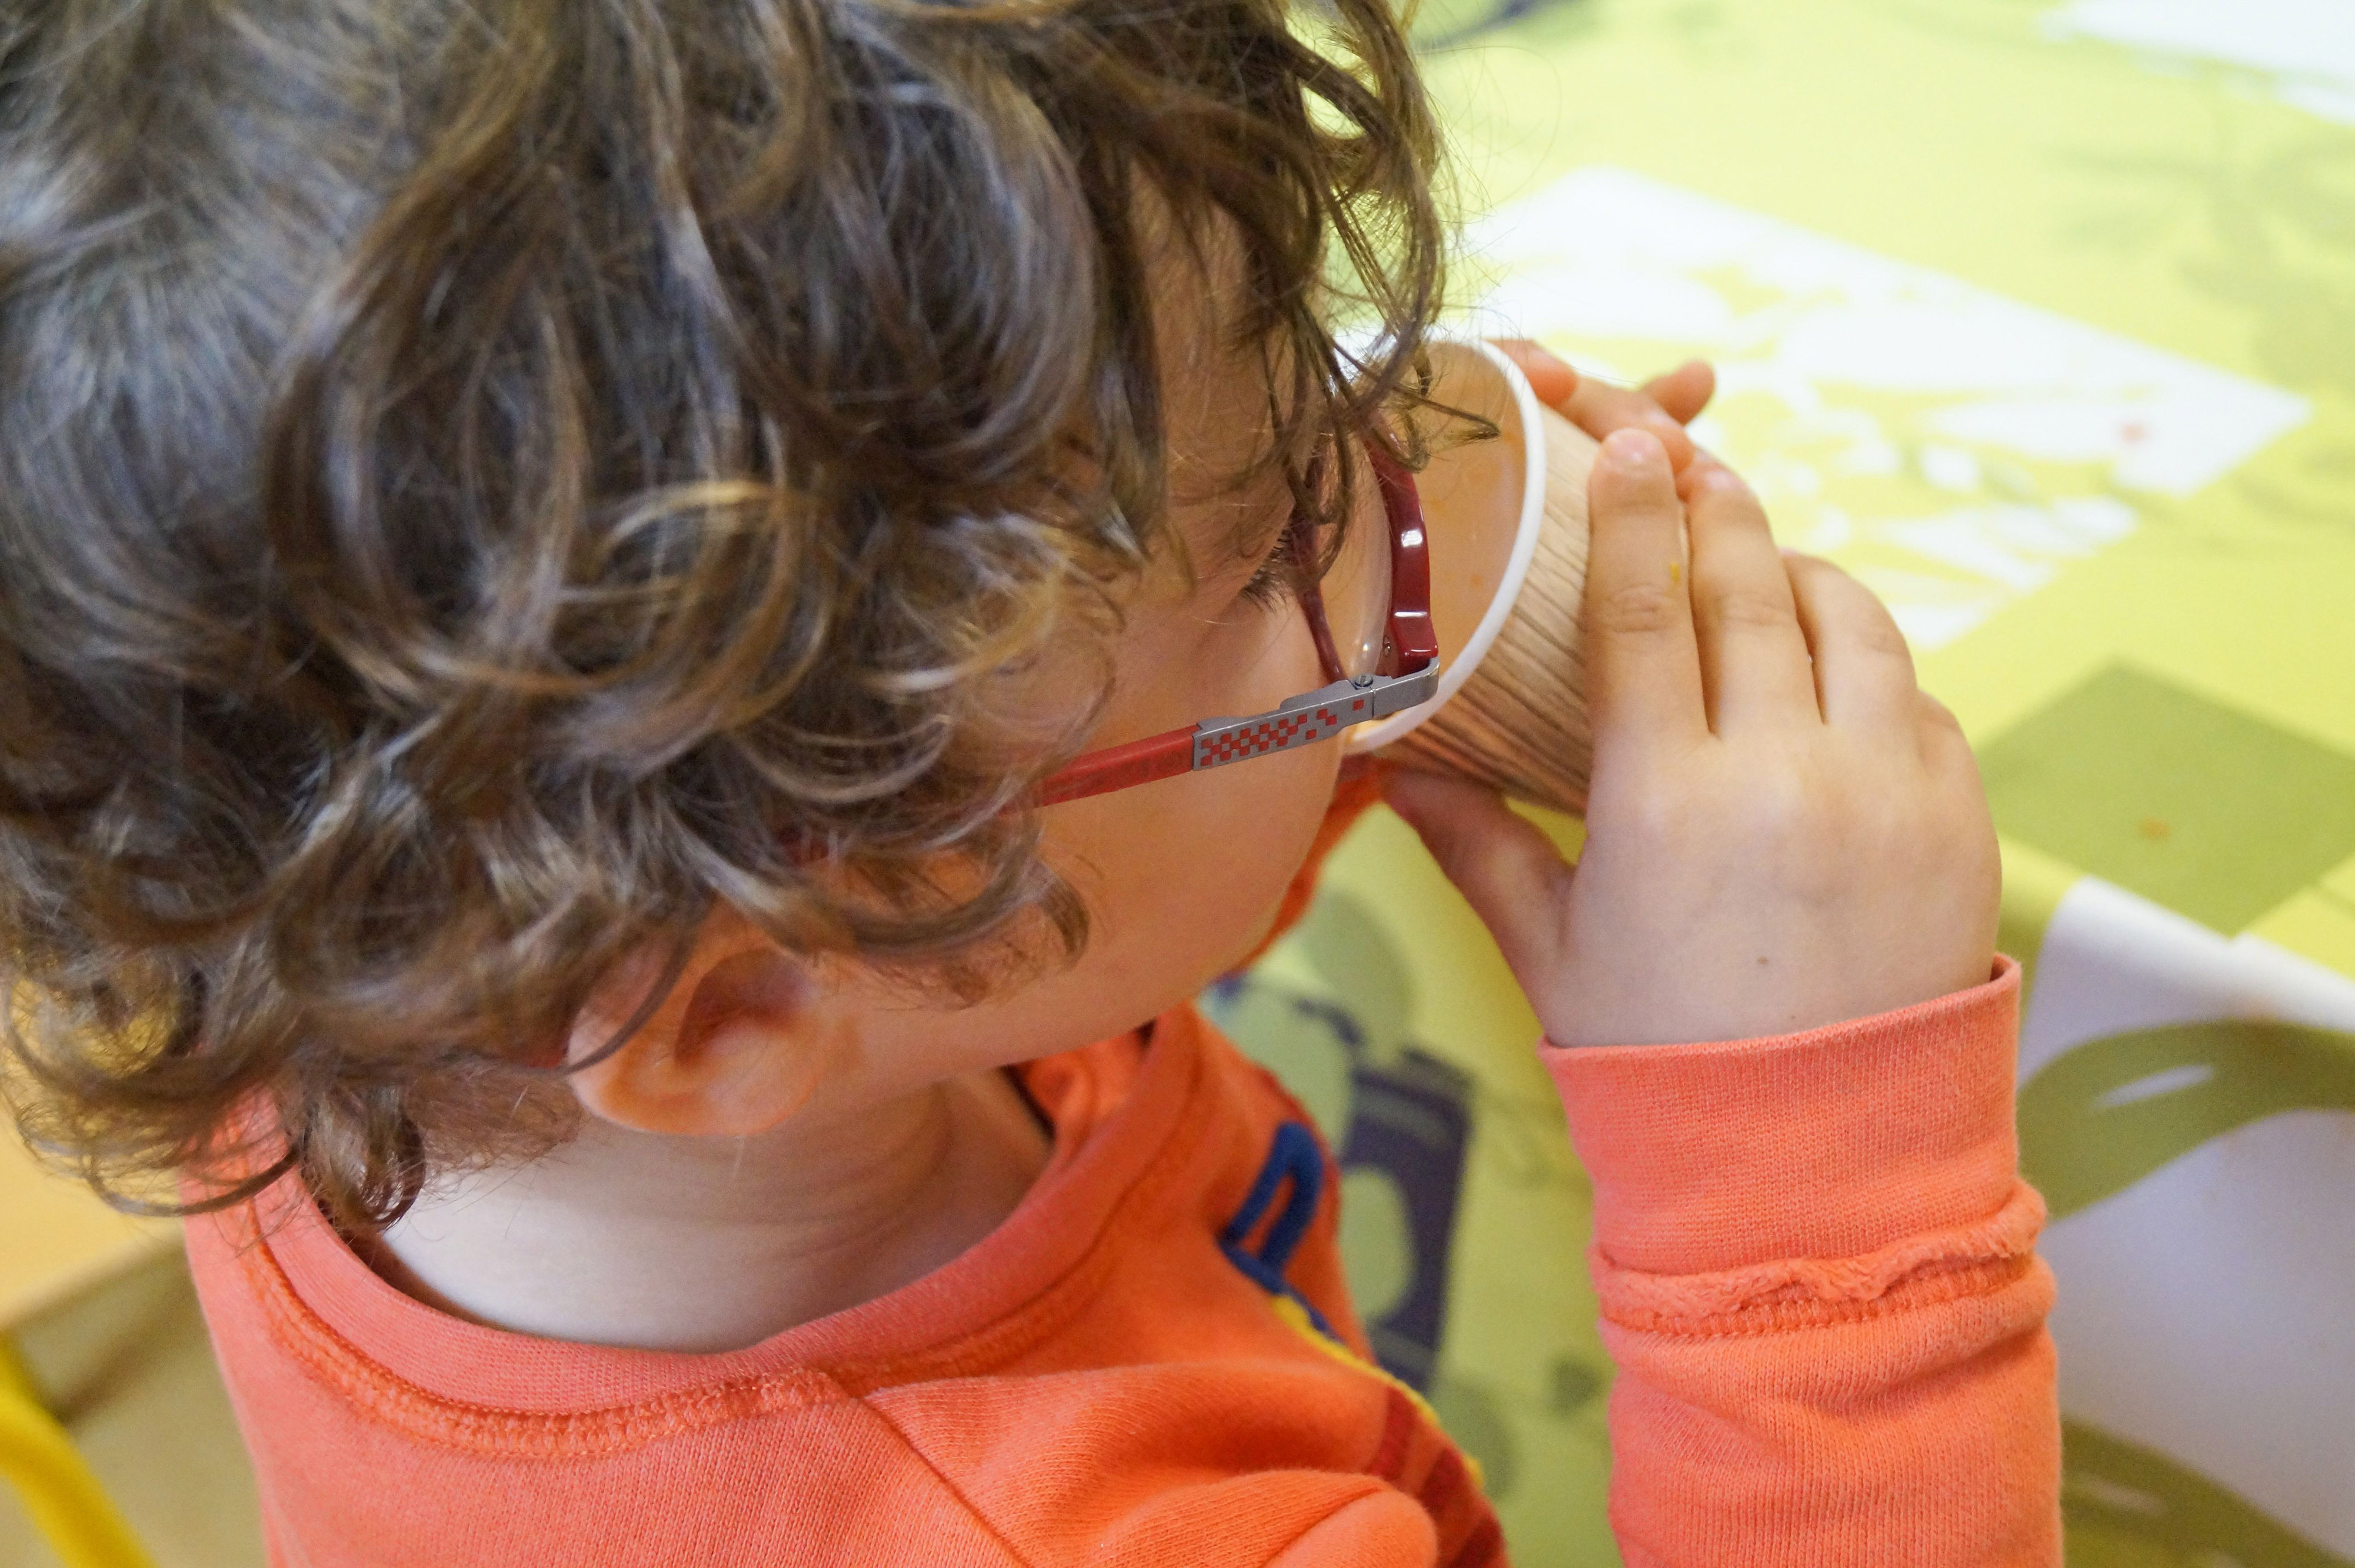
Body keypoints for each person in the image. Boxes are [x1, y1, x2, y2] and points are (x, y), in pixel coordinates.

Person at [0, 0, 2057, 1562]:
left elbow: (1064, 831)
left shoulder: (339, 959)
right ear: (744, 1005)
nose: (1375, 493)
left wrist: (1356, 631)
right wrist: (1817, 1191)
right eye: (1278, 549)